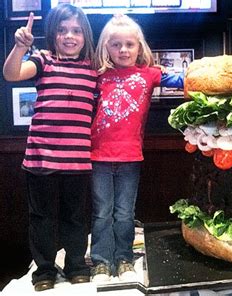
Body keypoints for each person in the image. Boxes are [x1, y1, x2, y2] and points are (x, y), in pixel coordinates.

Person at [2, 4, 96, 292]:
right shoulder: (44, 60)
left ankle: (77, 266)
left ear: (85, 35)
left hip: (78, 161)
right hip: (41, 158)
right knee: (42, 218)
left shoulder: (93, 69)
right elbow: (11, 74)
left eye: (76, 31)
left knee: (76, 218)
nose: (69, 36)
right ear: (52, 34)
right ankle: (44, 270)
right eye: (62, 30)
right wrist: (19, 47)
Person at [90, 14, 184, 283]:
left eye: (129, 45)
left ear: (139, 47)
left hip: (131, 156)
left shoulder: (149, 74)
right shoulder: (98, 76)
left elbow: (182, 79)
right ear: (106, 47)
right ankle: (101, 262)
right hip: (98, 156)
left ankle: (123, 258)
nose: (123, 50)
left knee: (124, 213)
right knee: (101, 213)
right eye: (116, 44)